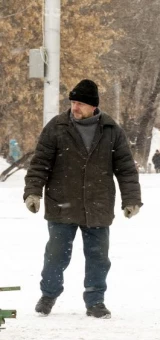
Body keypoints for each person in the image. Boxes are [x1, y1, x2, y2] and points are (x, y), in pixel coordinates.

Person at [23, 79, 143, 319]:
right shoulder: (57, 126)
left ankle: (95, 300)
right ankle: (48, 295)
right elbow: (40, 163)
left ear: (93, 106)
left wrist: (131, 199)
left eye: (80, 103)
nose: (74, 107)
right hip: (61, 203)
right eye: (73, 102)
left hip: (98, 205)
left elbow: (126, 168)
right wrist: (33, 192)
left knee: (99, 257)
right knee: (56, 255)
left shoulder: (111, 130)